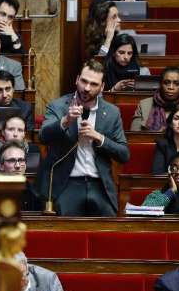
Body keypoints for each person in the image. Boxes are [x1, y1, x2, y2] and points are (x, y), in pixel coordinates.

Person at [37, 59, 129, 216]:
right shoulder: (58, 106)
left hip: (99, 184)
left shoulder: (112, 112)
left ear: (102, 87)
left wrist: (99, 138)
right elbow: (43, 136)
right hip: (67, 183)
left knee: (108, 231)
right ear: (77, 79)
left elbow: (123, 154)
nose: (87, 88)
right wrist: (66, 121)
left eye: (93, 84)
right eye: (84, 81)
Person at [130, 66, 179, 131]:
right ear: (160, 85)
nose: (171, 87)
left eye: (176, 83)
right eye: (166, 83)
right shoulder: (144, 104)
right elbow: (135, 134)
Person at [0, 142, 41, 211]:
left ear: (25, 165)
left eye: (21, 160)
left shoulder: (36, 194)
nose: (17, 166)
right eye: (11, 160)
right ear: (1, 166)